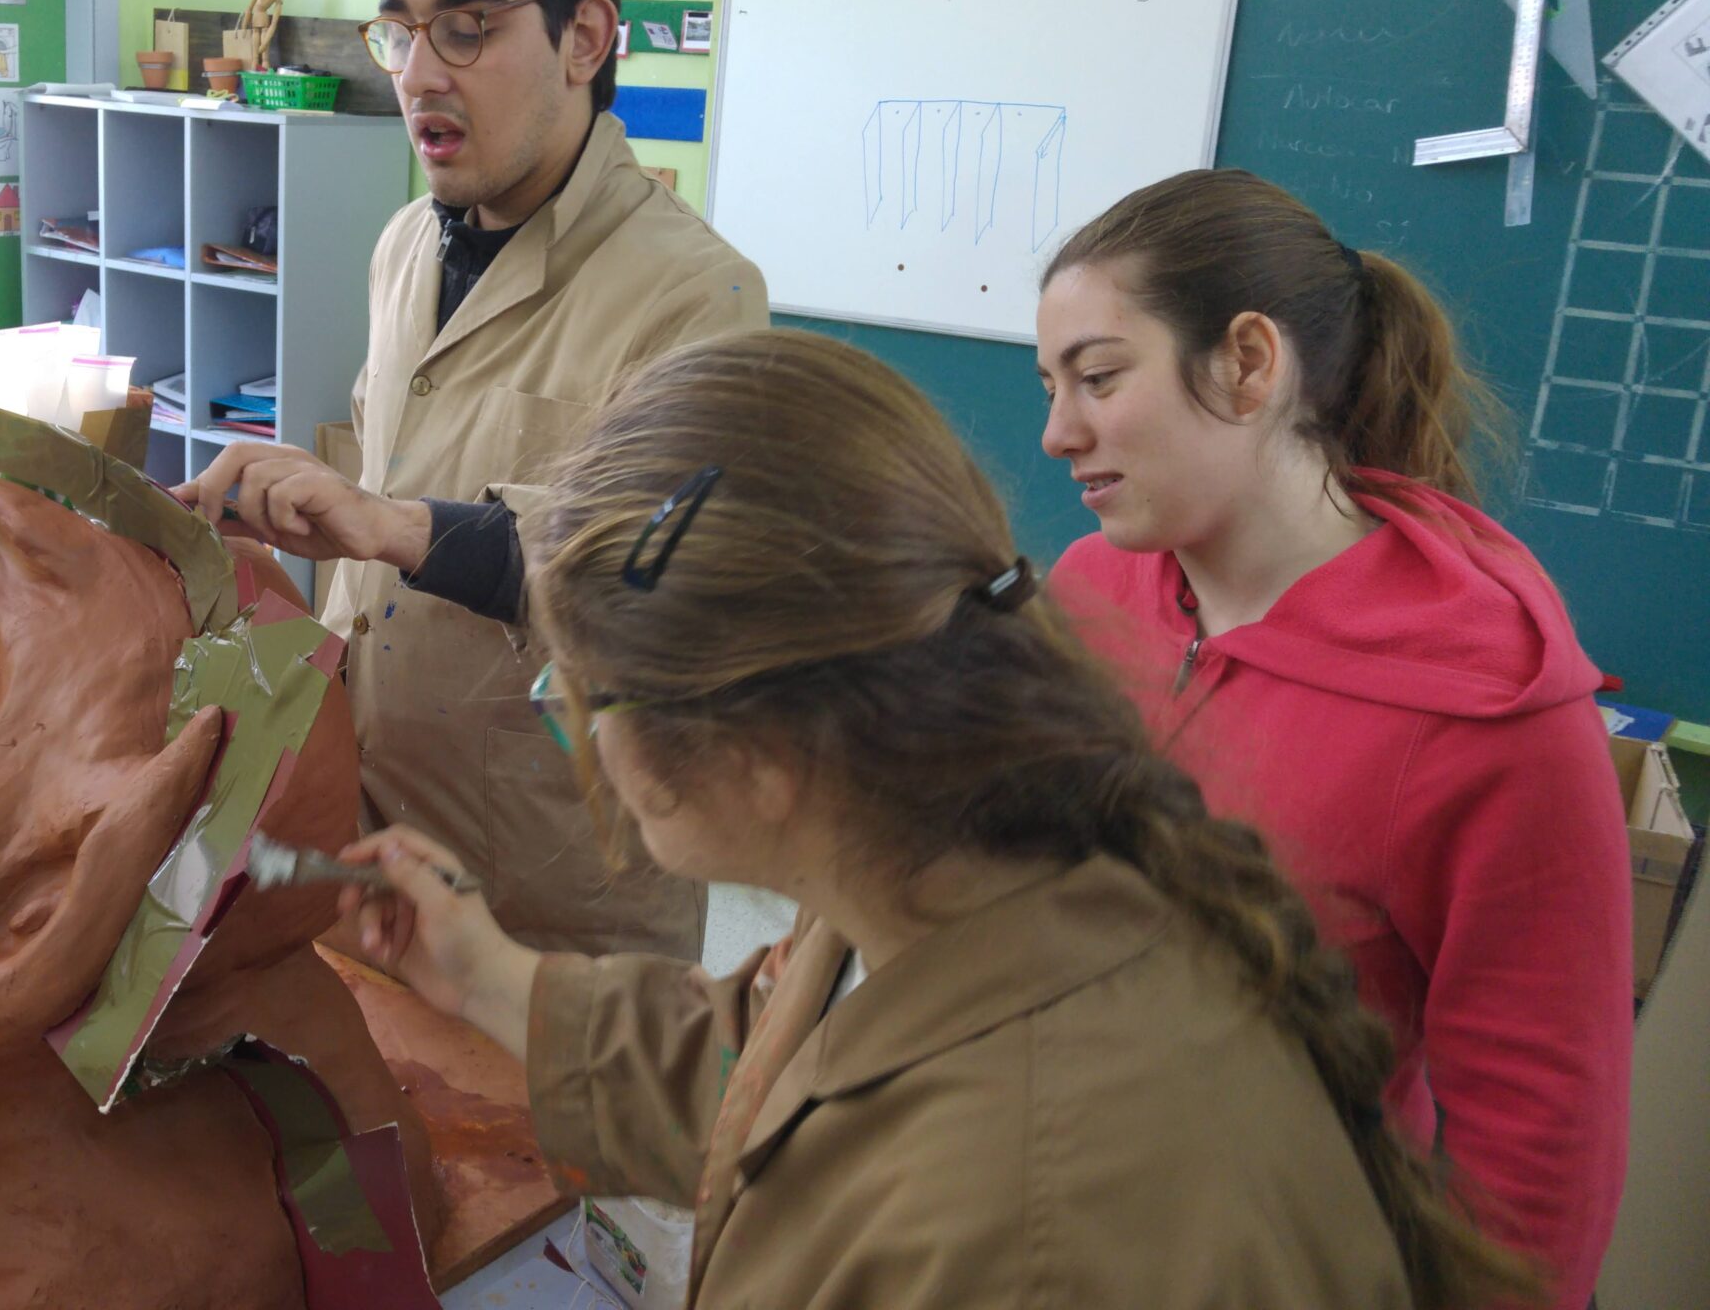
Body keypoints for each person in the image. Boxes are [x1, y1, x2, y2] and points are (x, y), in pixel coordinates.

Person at [337, 327, 1541, 1309]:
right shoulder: (937, 876)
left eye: (580, 693)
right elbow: (775, 1075)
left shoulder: (1020, 1230)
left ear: (760, 755)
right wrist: (481, 970)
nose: (579, 729)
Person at [1034, 168, 1630, 1309]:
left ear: (1249, 363)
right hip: (1061, 1219)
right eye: (1051, 386)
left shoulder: (1489, 718)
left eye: (1099, 378)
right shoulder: (1089, 588)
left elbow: (1538, 1150)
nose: (1059, 433)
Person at [176, 0, 768, 958]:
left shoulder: (697, 293)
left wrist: (391, 526)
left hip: (549, 904)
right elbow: (389, 485)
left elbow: (657, 582)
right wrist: (287, 526)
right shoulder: (405, 244)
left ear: (584, 38)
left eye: (467, 27)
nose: (416, 75)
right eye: (399, 31)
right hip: (360, 841)